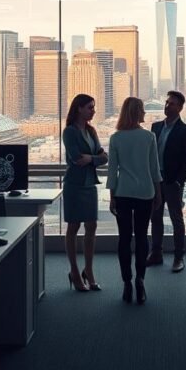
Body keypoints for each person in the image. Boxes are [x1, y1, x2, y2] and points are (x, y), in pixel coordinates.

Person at [107, 97, 163, 304]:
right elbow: (154, 169)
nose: (145, 113)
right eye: (142, 109)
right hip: (145, 193)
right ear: (136, 112)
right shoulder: (149, 137)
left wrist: (111, 197)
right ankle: (140, 280)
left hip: (123, 193)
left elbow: (112, 171)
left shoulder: (116, 138)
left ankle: (127, 282)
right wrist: (158, 193)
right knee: (141, 237)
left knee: (124, 238)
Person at [62, 94, 108, 292]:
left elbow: (104, 157)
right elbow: (76, 158)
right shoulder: (69, 132)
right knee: (73, 226)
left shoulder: (91, 131)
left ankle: (88, 270)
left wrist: (90, 159)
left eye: (93, 107)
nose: (93, 111)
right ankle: (74, 270)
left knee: (92, 226)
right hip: (74, 184)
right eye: (90, 107)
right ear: (79, 108)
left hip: (90, 184)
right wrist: (94, 158)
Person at [147, 90, 186, 273]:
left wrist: (179, 182)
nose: (167, 106)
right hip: (156, 181)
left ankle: (178, 257)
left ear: (180, 108)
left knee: (176, 219)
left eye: (172, 104)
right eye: (166, 102)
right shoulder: (156, 127)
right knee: (155, 218)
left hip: (172, 182)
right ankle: (156, 253)